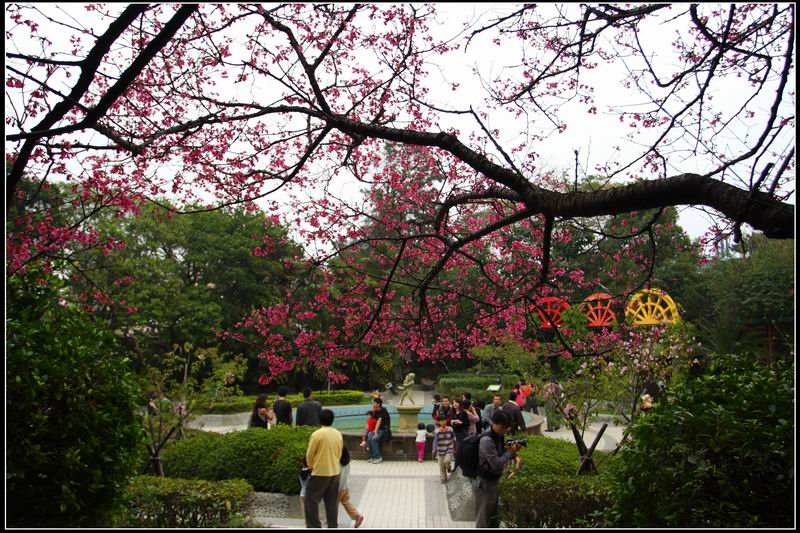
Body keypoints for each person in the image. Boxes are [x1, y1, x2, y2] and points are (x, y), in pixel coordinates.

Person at [475, 410, 523, 528]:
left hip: (494, 481)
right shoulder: (487, 440)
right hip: (486, 483)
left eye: (506, 427)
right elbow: (496, 464)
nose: (505, 430)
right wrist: (510, 452)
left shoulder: (498, 436)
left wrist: (513, 453)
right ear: (493, 423)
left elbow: (501, 455)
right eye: (502, 427)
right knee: (484, 518)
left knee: (494, 517)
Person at [304, 409, 343, 528]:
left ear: (319, 419)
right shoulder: (338, 433)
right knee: (331, 503)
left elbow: (309, 454)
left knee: (311, 500)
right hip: (335, 472)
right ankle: (332, 526)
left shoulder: (317, 434)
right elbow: (339, 452)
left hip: (320, 472)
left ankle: (314, 526)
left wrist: (311, 466)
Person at [338, 446, 365, 528]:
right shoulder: (347, 463)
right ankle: (357, 516)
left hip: (338, 488)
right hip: (346, 487)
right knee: (346, 502)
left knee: (332, 507)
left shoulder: (338, 464)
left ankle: (330, 523)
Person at [432, 417, 456, 483]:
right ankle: (443, 478)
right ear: (439, 422)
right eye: (441, 421)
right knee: (441, 466)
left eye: (444, 420)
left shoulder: (450, 429)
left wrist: (455, 447)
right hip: (440, 450)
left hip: (449, 448)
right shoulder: (437, 431)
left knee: (447, 461)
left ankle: (449, 468)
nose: (443, 422)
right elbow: (435, 441)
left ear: (446, 421)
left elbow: (453, 438)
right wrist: (434, 449)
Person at [368, 397, 390, 464]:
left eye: (374, 403)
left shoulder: (383, 410)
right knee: (369, 439)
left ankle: (378, 457)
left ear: (378, 404)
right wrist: (373, 411)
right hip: (376, 429)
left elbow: (379, 421)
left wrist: (375, 432)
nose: (372, 404)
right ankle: (372, 457)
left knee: (374, 439)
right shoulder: (375, 410)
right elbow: (371, 419)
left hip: (383, 429)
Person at [450, 398, 470, 467]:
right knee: (458, 451)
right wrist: (452, 422)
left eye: (456, 402)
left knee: (458, 451)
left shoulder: (463, 412)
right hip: (455, 434)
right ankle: (459, 467)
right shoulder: (453, 412)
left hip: (462, 434)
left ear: (460, 403)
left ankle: (456, 468)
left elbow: (467, 424)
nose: (454, 404)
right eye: (453, 402)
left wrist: (460, 422)